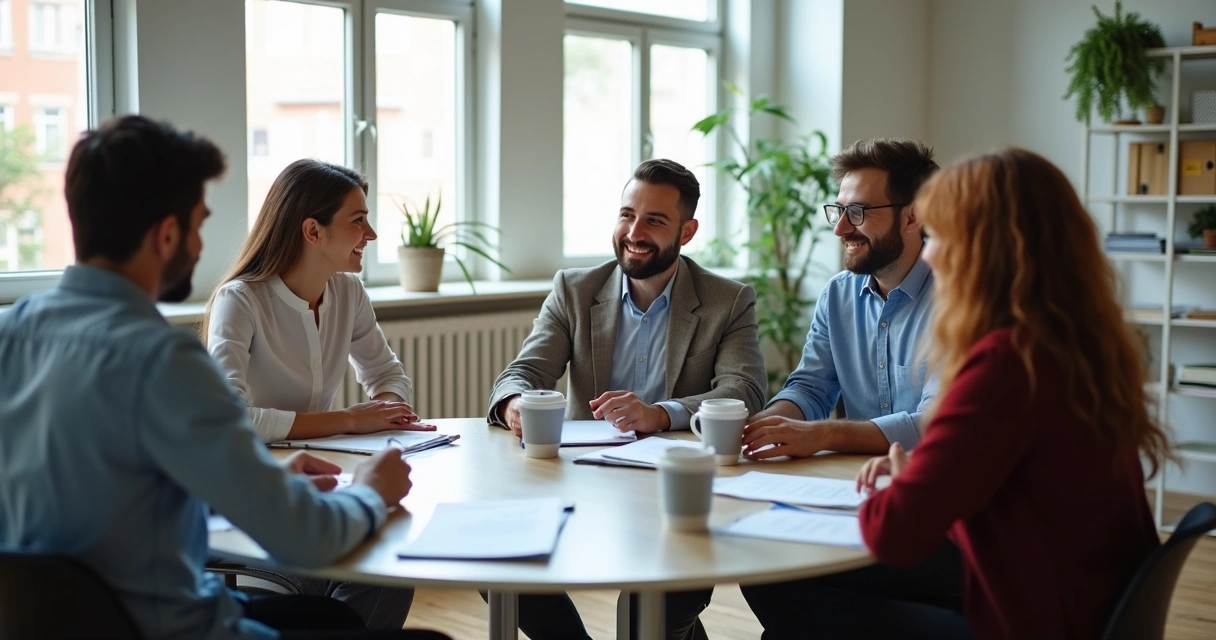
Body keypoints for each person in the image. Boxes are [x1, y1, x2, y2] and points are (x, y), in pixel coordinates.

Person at [0, 115, 448, 640]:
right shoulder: (162, 361)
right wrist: (372, 491)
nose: (199, 245)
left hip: (59, 623)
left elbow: (112, 490)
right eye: (199, 224)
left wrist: (263, 478)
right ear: (168, 234)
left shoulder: (10, 335)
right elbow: (305, 537)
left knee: (331, 620)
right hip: (176, 628)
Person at [855, 148, 1169, 639]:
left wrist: (898, 486)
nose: (931, 254)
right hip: (1085, 609)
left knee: (790, 593)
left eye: (939, 236)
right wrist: (928, 474)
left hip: (1027, 620)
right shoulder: (1075, 344)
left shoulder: (1007, 363)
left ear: (981, 248)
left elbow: (892, 533)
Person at [485, 158, 766, 640]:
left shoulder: (728, 300)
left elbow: (743, 392)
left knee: (650, 611)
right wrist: (514, 405)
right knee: (494, 555)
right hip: (582, 483)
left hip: (679, 493)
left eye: (655, 220)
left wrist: (659, 414)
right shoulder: (574, 290)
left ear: (688, 230)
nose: (634, 232)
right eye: (626, 214)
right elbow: (522, 374)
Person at [739, 139, 956, 637]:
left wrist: (823, 436)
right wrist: (771, 423)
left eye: (857, 211)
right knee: (764, 563)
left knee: (783, 582)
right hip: (855, 497)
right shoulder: (838, 295)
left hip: (935, 516)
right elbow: (810, 386)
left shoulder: (957, 296)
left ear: (912, 216)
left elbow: (931, 425)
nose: (839, 228)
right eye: (838, 209)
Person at [201, 159, 424, 628]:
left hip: (325, 484)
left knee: (392, 560)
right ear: (313, 231)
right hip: (257, 500)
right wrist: (348, 419)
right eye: (358, 220)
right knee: (363, 568)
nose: (373, 234)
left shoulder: (348, 293)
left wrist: (388, 407)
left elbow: (387, 373)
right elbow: (230, 418)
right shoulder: (240, 300)